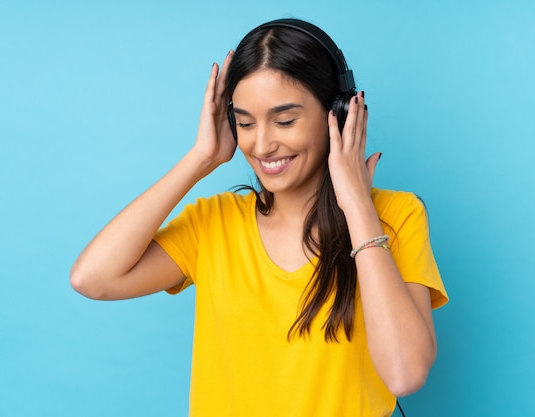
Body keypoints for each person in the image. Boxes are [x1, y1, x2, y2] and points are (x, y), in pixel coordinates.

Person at [70, 18, 448, 417]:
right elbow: (92, 279)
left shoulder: (395, 216)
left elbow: (405, 374)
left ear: (335, 113)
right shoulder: (213, 223)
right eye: (245, 123)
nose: (262, 144)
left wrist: (357, 206)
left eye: (285, 121)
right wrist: (202, 158)